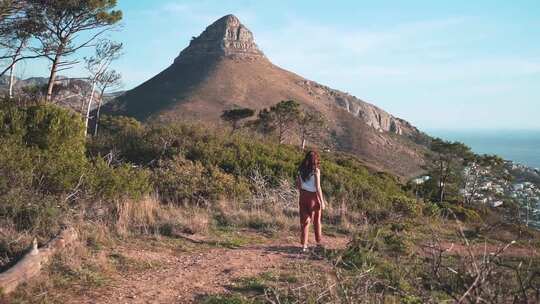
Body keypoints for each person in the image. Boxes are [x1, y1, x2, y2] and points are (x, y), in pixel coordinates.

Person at [296, 150, 326, 252]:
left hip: (303, 196)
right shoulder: (316, 171)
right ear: (315, 160)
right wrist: (322, 202)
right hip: (313, 197)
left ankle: (304, 245)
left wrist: (302, 195)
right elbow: (318, 187)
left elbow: (298, 185)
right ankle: (318, 242)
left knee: (305, 221)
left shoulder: (300, 170)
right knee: (317, 221)